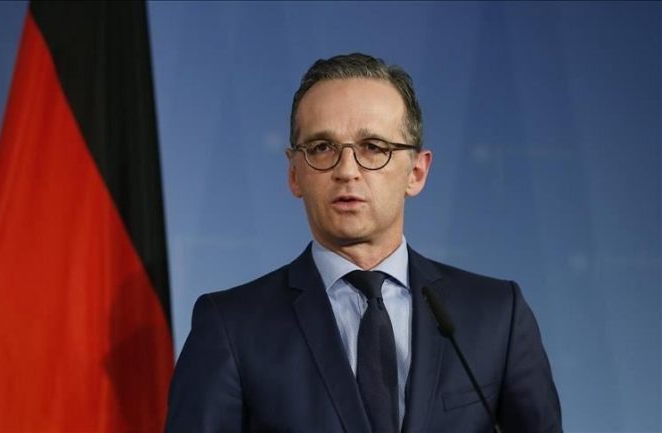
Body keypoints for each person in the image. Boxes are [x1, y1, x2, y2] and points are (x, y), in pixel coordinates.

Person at [165, 53, 562, 433]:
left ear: (416, 172)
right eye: (322, 148)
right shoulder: (231, 326)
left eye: (373, 148)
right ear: (294, 174)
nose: (347, 170)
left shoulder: (497, 315)